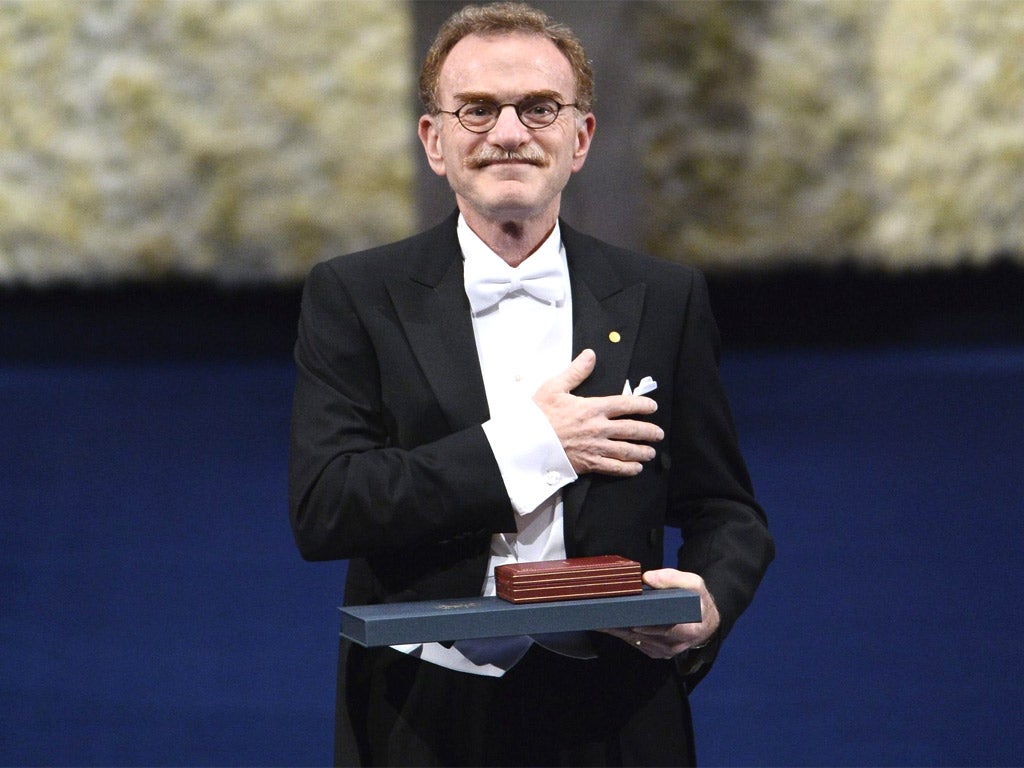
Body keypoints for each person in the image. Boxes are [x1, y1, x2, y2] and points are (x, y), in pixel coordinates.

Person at [289, 3, 774, 765]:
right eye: (476, 110)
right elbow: (327, 506)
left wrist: (709, 598)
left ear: (579, 138)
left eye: (539, 108)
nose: (509, 133)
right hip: (424, 715)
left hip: (618, 708)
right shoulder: (355, 295)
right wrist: (535, 445)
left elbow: (728, 510)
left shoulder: (663, 297)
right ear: (434, 142)